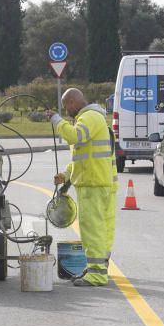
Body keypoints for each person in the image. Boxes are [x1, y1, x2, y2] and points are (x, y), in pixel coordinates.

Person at [48, 88, 118, 286]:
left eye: (65, 107)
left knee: (92, 229)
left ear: (72, 103)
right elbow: (81, 158)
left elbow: (74, 137)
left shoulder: (88, 118)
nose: (66, 111)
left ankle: (96, 274)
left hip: (93, 184)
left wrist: (56, 120)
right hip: (100, 182)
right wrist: (66, 176)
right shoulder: (94, 118)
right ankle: (99, 267)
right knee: (103, 229)